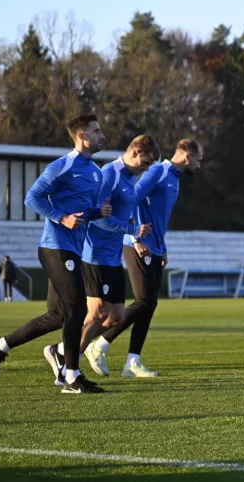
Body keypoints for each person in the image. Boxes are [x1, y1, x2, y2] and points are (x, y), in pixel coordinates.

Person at [0, 113, 112, 394]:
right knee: (77, 309)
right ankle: (71, 377)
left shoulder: (95, 171)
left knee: (58, 314)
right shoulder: (62, 165)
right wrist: (61, 217)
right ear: (82, 136)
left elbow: (79, 210)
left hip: (72, 248)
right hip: (55, 246)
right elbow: (32, 197)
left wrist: (95, 212)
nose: (102, 135)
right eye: (97, 130)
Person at [87, 138, 203, 378]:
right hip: (138, 244)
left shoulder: (174, 178)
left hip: (155, 247)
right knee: (143, 302)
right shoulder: (159, 171)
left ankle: (132, 361)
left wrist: (163, 246)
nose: (199, 166)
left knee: (150, 303)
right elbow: (133, 199)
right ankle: (98, 345)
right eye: (199, 160)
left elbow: (159, 216)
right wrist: (135, 238)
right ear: (188, 156)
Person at [79, 135, 159, 377]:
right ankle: (67, 358)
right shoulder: (110, 173)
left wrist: (134, 233)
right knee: (97, 313)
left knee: (116, 317)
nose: (145, 169)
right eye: (145, 163)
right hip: (95, 254)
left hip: (113, 258)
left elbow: (123, 215)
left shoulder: (129, 178)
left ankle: (70, 350)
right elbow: (99, 217)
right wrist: (132, 230)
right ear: (134, 152)